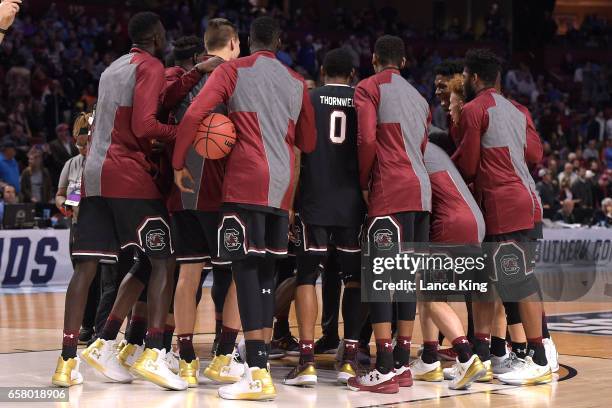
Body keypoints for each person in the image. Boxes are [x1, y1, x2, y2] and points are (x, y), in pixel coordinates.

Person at [173, 16, 316, 400]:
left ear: (248, 42)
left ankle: (256, 372)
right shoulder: (296, 81)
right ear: (280, 41)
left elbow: (193, 115)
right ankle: (260, 368)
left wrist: (177, 162)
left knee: (245, 272)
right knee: (266, 274)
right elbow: (309, 140)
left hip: (246, 185)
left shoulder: (234, 71)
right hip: (282, 188)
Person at [52, 12, 184, 391]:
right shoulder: (152, 65)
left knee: (86, 270)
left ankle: (66, 362)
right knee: (163, 258)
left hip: (93, 179)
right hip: (127, 176)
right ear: (157, 37)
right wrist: (182, 133)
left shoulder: (111, 68)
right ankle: (155, 352)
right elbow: (145, 125)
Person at [451, 48, 551, 386]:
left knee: (516, 283)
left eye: (465, 76)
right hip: (519, 202)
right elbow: (536, 154)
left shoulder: (473, 109)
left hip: (504, 206)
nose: (462, 81)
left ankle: (538, 357)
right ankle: (481, 354)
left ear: (475, 78)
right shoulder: (518, 110)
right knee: (489, 284)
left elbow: (466, 165)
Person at [349, 35, 431, 394]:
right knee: (405, 278)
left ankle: (383, 367)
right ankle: (401, 362)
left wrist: (365, 180)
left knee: (382, 277)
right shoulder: (420, 98)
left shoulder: (368, 88)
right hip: (421, 194)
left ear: (374, 58)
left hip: (389, 188)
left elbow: (366, 140)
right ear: (404, 61)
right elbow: (424, 145)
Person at [164, 21, 242, 388]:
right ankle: (225, 354)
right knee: (238, 273)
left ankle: (186, 357)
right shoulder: (232, 78)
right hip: (217, 192)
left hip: (181, 194)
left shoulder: (182, 80)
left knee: (188, 273)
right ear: (233, 43)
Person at [283, 48, 366, 387]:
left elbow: (296, 152)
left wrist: (289, 201)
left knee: (307, 276)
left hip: (314, 200)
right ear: (353, 74)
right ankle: (348, 358)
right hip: (351, 204)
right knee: (354, 279)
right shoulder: (363, 101)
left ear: (322, 69)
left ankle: (306, 361)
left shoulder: (308, 97)